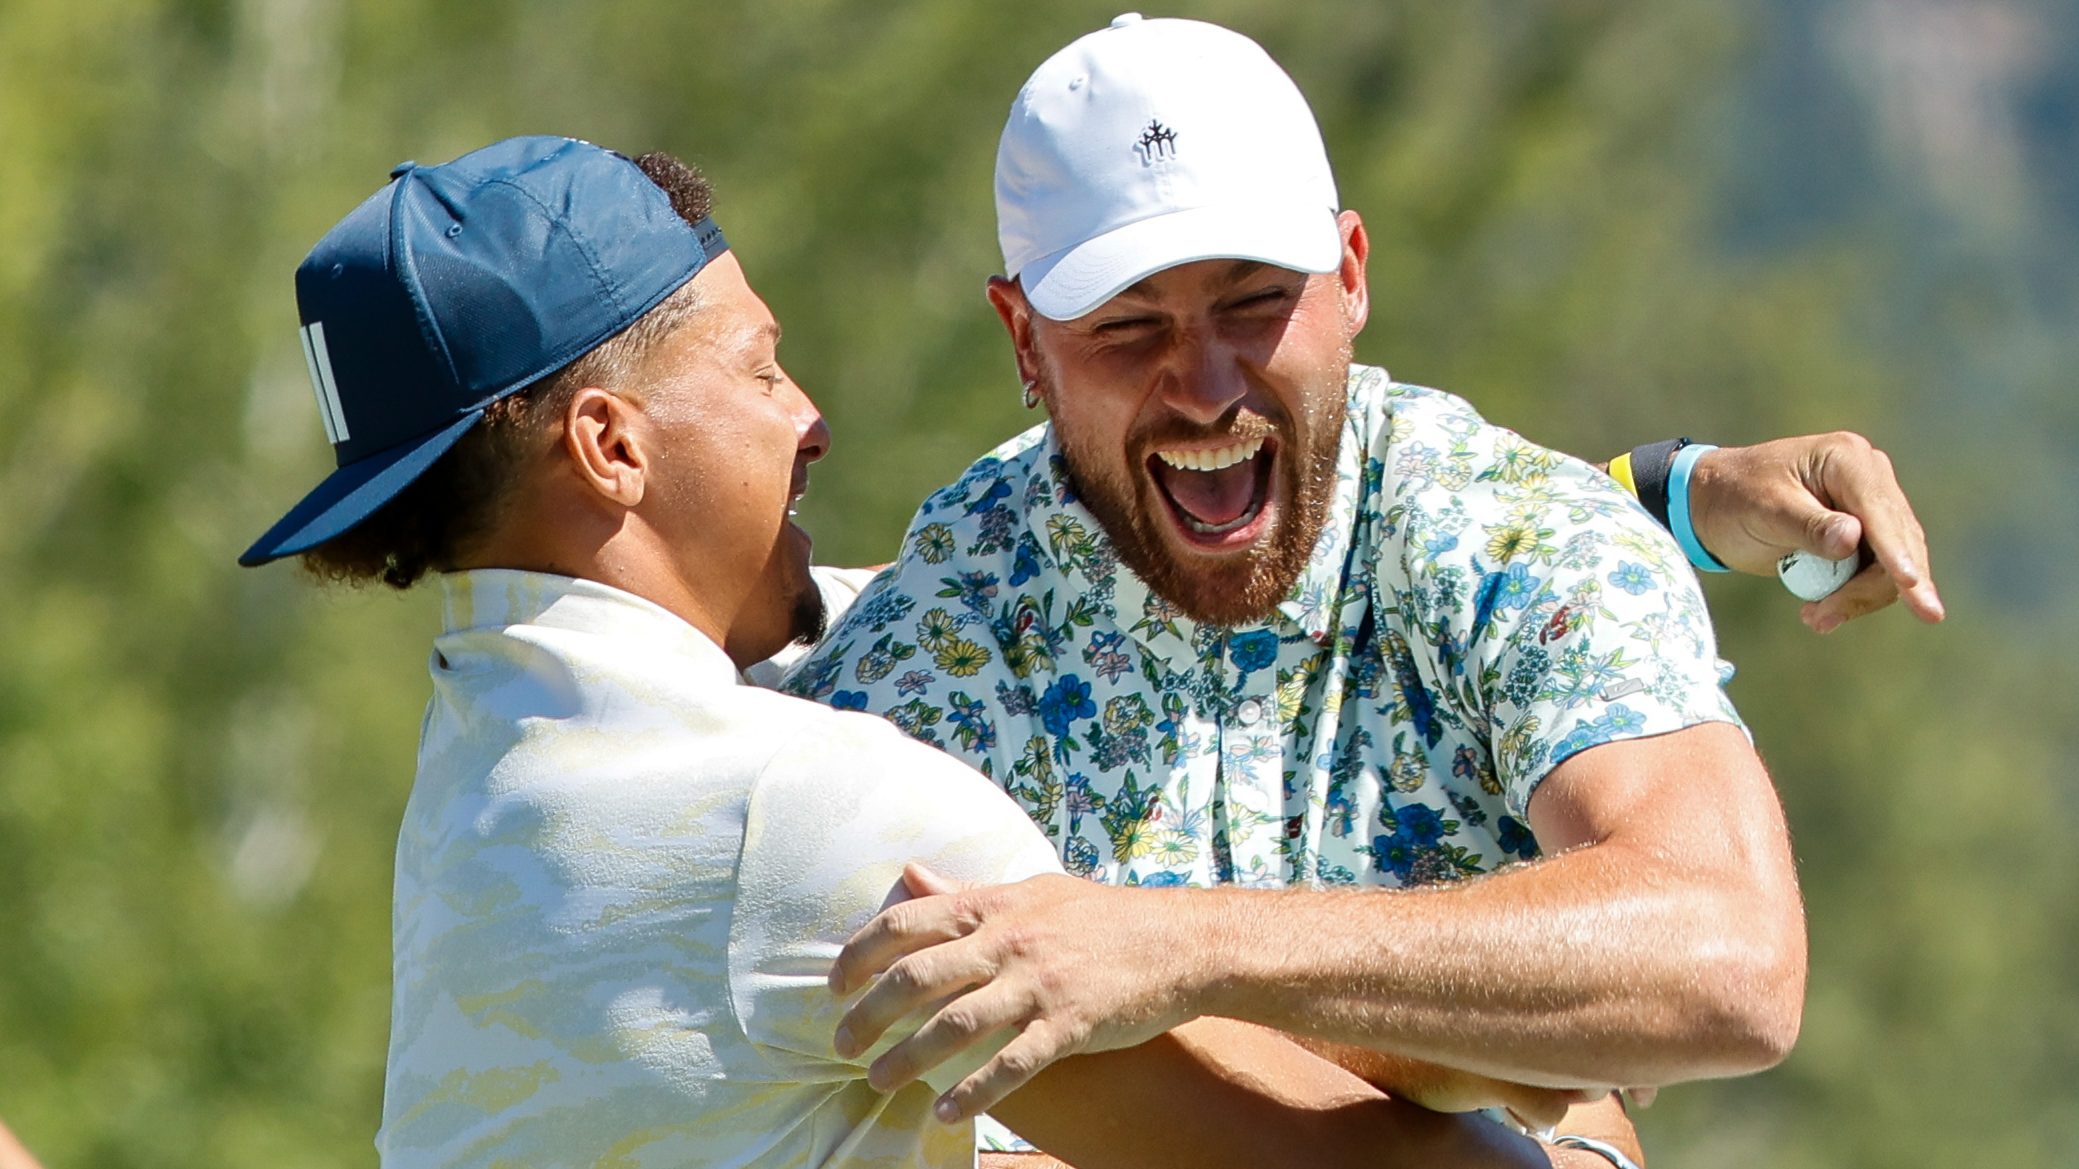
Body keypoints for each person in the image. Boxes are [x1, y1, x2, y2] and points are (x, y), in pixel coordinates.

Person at [239, 136, 1607, 1168]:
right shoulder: (793, 810)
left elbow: (1097, 584)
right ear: (611, 446)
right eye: (760, 368)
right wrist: (1570, 1123)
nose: (811, 415)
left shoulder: (493, 760)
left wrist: (1658, 495)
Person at [784, 15, 1940, 1164]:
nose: (1203, 385)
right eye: (1129, 326)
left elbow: (1729, 958)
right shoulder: (942, 632)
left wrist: (1168, 952)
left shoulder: (1504, 529)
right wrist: (1450, 1064)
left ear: (1350, 273)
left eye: (1253, 302)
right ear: (1024, 340)